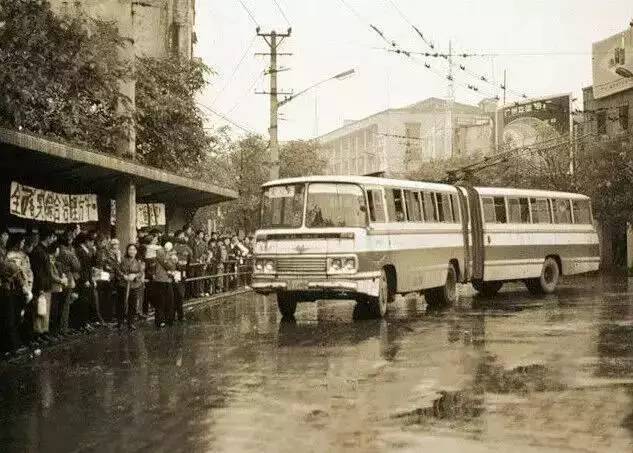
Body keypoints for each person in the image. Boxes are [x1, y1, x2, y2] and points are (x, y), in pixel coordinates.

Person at [57, 231, 81, 335]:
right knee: (65, 305)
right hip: (67, 278)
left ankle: (58, 328)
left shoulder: (56, 250)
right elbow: (77, 266)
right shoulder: (69, 253)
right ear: (69, 241)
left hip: (57, 278)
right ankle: (64, 328)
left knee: (58, 304)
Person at [116, 244, 144, 330]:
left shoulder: (138, 262)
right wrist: (123, 276)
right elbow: (118, 270)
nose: (131, 251)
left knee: (132, 305)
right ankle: (120, 322)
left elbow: (141, 273)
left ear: (136, 251)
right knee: (121, 304)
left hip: (134, 286)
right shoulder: (123, 261)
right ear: (127, 251)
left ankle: (130, 323)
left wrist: (135, 275)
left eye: (133, 250)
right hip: (123, 285)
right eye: (130, 249)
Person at [74, 232, 97, 330]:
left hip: (89, 278)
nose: (92, 243)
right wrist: (85, 280)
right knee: (83, 302)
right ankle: (82, 324)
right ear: (86, 241)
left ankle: (86, 322)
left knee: (88, 301)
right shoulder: (79, 251)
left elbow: (90, 265)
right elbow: (81, 268)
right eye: (91, 241)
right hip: (84, 280)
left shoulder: (87, 251)